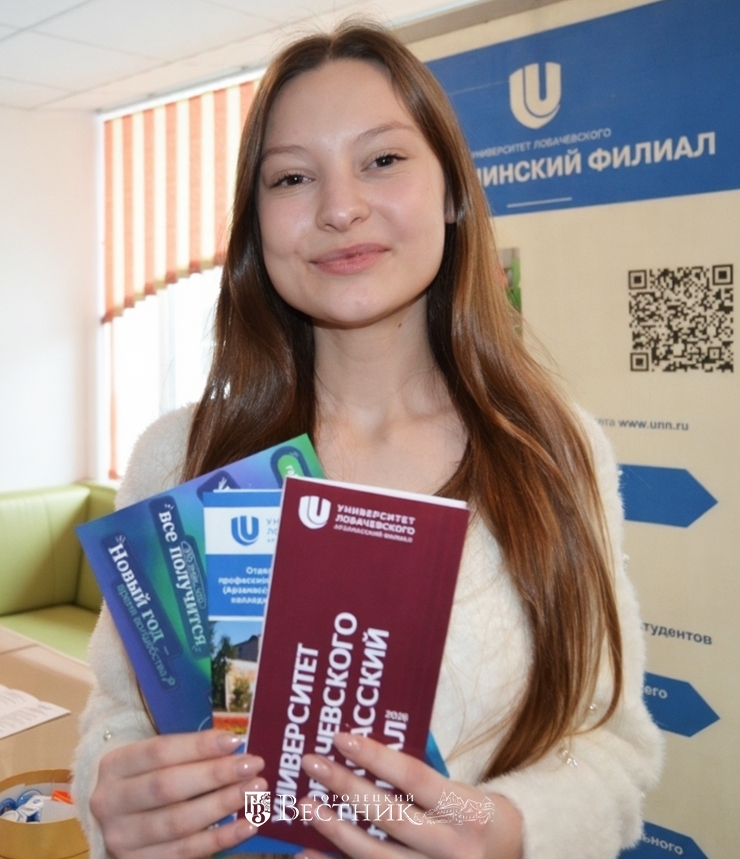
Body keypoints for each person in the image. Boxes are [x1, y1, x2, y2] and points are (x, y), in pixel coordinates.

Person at [72, 21, 663, 859]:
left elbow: (614, 746)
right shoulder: (179, 457)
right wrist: (118, 804)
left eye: (383, 159)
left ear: (452, 192)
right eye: (293, 176)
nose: (340, 207)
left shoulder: (556, 450)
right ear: (257, 223)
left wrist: (508, 830)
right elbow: (117, 722)